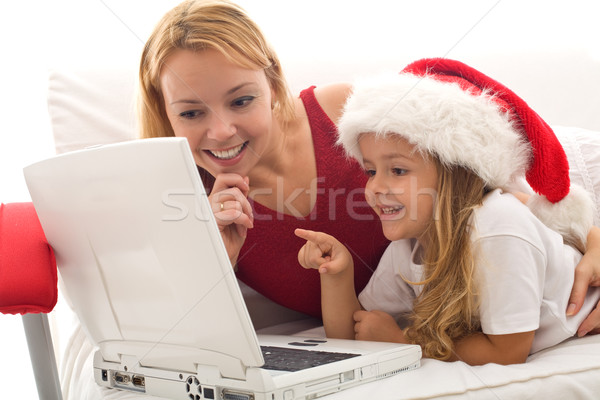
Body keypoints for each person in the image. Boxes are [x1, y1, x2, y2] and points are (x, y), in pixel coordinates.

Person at [138, 0, 600, 331]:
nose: (221, 132)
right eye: (191, 112)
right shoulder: (186, 200)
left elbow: (492, 190)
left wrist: (594, 242)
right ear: (165, 113)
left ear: (273, 84)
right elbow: (187, 341)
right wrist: (220, 260)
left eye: (241, 100)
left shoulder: (348, 113)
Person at [295, 58, 600, 365]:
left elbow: (508, 352)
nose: (374, 187)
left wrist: (405, 343)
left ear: (454, 174)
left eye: (398, 170)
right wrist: (337, 274)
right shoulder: (411, 245)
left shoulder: (497, 226)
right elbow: (351, 338)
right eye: (371, 171)